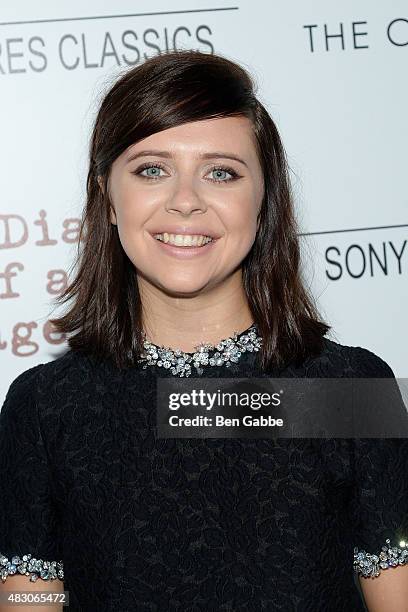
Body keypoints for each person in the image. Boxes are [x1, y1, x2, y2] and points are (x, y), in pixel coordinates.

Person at [1, 49, 407, 612]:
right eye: (151, 169)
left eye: (221, 172)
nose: (186, 201)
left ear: (263, 201)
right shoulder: (45, 409)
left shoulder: (350, 392)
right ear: (107, 198)